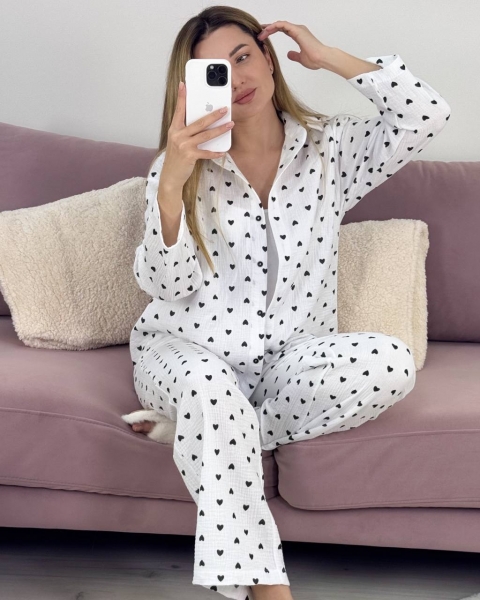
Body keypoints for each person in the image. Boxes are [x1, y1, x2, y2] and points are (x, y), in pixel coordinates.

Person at [122, 6, 451, 600]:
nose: (236, 78)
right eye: (214, 72)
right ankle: (268, 588)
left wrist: (329, 58)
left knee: (391, 362)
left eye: (243, 57)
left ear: (270, 60)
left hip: (288, 359)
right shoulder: (179, 170)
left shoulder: (331, 150)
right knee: (210, 390)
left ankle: (211, 433)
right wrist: (171, 183)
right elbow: (166, 287)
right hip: (186, 351)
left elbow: (426, 113)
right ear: (191, 88)